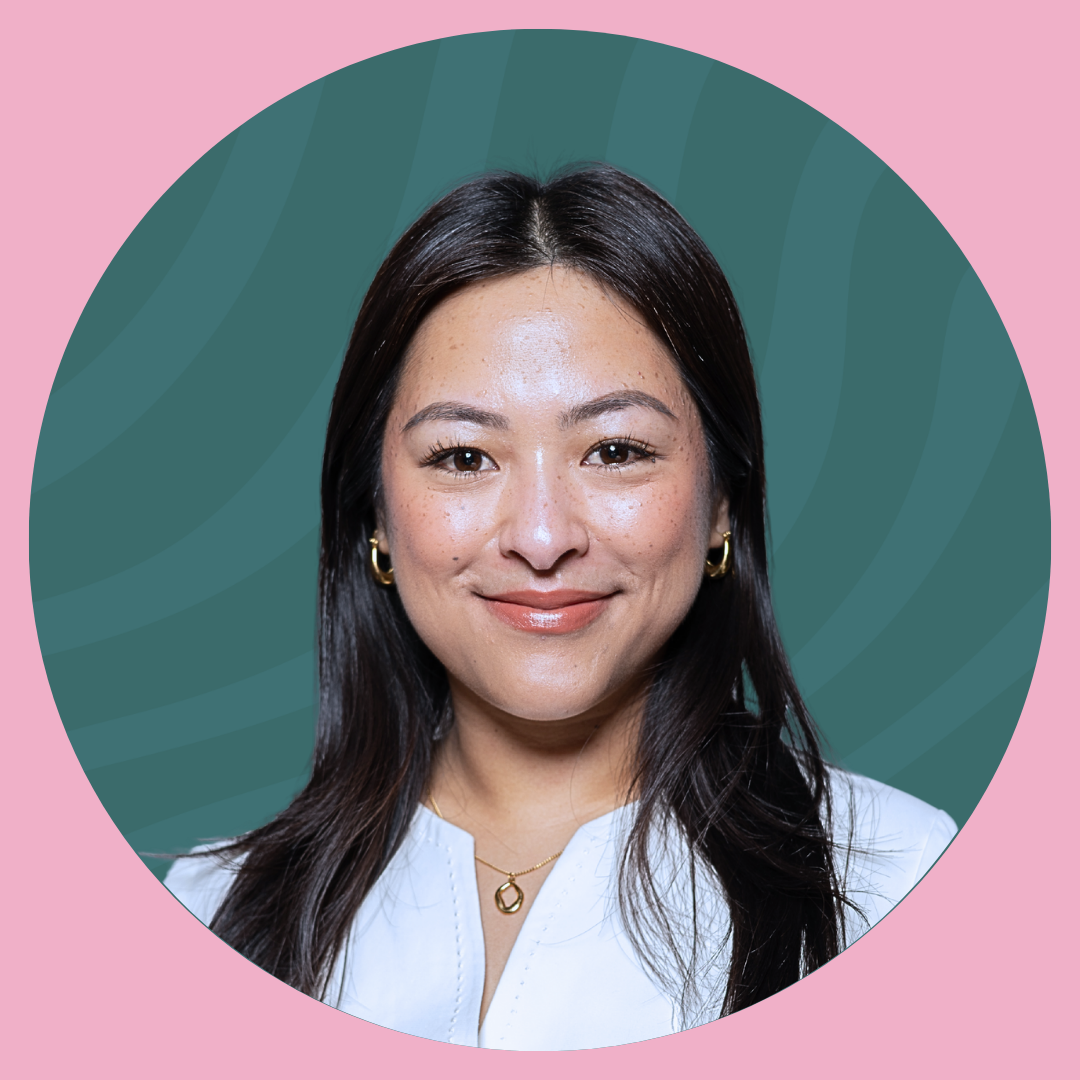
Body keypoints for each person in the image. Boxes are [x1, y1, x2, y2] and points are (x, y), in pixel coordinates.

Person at [164, 164, 957, 1050]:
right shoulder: (209, 913)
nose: (542, 540)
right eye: (464, 458)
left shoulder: (902, 880)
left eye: (615, 450)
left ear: (723, 505)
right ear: (375, 515)